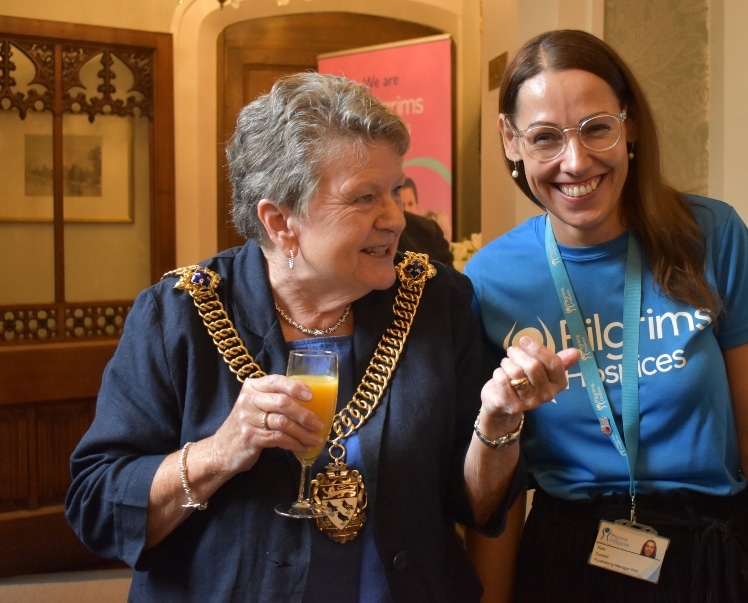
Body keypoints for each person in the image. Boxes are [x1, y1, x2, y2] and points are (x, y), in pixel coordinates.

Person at [65, 72, 576, 602]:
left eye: (396, 192)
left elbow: (476, 505)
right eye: (363, 199)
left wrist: (497, 423)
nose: (396, 219)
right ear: (280, 221)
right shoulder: (179, 316)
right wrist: (219, 451)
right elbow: (98, 508)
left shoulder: (435, 301)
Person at [463, 30, 748, 602]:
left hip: (712, 558)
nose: (575, 162)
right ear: (510, 141)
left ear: (632, 127)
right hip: (566, 563)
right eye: (544, 137)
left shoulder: (711, 236)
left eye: (597, 127)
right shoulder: (489, 279)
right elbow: (502, 494)